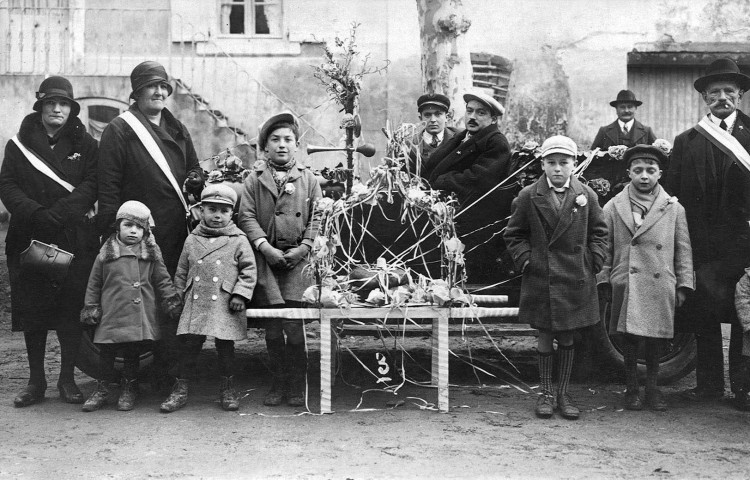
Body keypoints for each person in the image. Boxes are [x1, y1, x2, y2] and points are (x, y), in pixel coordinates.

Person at [97, 60, 205, 391]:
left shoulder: (177, 127)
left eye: (163, 86)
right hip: (139, 233)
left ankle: (169, 371)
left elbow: (194, 169)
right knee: (143, 300)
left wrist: (196, 180)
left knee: (173, 297)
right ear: (137, 92)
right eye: (150, 86)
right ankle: (137, 376)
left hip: (176, 230)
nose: (158, 92)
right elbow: (108, 186)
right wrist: (115, 232)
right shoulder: (119, 129)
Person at [0, 76, 99, 407]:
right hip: (31, 236)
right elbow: (8, 185)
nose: (57, 109)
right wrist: (37, 213)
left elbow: (91, 184)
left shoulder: (86, 144)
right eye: (51, 103)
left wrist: (63, 211)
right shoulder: (18, 145)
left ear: (72, 109)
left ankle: (67, 380)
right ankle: (36, 381)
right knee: (34, 311)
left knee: (70, 310)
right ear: (40, 107)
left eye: (64, 104)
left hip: (72, 235)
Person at [665, 57, 750, 410]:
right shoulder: (687, 141)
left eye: (729, 91)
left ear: (741, 95)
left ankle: (744, 390)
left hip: (745, 244)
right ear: (705, 99)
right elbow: (673, 193)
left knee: (747, 316)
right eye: (714, 92)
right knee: (705, 316)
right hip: (703, 243)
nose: (722, 97)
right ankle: (709, 387)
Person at [504, 135, 608, 420]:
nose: (558, 169)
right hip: (542, 276)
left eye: (564, 162)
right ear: (543, 165)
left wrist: (593, 260)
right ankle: (546, 393)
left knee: (568, 335)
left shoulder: (587, 196)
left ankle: (564, 392)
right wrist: (527, 260)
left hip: (575, 275)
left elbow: (600, 232)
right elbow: (514, 234)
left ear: (574, 164)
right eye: (552, 163)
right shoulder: (528, 195)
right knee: (545, 336)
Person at [598, 145, 694, 411]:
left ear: (660, 173)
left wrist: (684, 284)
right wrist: (605, 278)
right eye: (638, 170)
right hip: (627, 282)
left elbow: (683, 249)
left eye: (650, 170)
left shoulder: (674, 209)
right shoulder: (613, 207)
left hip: (660, 282)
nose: (644, 176)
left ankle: (653, 390)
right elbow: (604, 246)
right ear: (628, 172)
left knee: (656, 341)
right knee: (629, 342)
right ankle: (631, 388)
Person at [238, 112, 322, 407]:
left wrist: (305, 248)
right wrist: (264, 247)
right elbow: (246, 216)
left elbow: (318, 217)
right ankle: (278, 383)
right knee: (273, 326)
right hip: (267, 261)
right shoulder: (254, 180)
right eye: (275, 140)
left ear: (296, 146)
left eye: (288, 140)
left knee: (294, 326)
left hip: (298, 262)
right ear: (265, 146)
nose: (282, 145)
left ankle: (297, 385)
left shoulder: (309, 179)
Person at [160, 184, 257, 413]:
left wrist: (240, 294)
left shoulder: (238, 239)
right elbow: (182, 271)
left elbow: (249, 270)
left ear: (231, 214)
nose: (217, 215)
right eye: (212, 209)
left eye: (224, 211)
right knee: (190, 346)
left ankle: (228, 388)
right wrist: (178, 297)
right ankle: (180, 389)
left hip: (225, 302)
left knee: (225, 347)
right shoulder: (192, 239)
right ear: (201, 211)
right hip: (196, 300)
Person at [80, 201, 181, 412]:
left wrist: (171, 300)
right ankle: (103, 389)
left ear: (146, 231)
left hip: (138, 313)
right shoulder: (106, 253)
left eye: (139, 227)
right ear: (118, 227)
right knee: (106, 354)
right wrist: (90, 307)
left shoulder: (150, 252)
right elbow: (94, 282)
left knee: (131, 353)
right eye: (128, 225)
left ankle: (129, 388)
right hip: (112, 313)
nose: (133, 231)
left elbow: (162, 279)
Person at [423, 90, 512, 283]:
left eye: (480, 113)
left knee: (464, 278)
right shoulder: (464, 136)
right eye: (470, 110)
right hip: (447, 214)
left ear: (493, 119)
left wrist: (444, 181)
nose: (472, 117)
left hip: (472, 221)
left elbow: (479, 179)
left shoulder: (495, 142)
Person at [407, 93, 456, 176]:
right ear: (421, 119)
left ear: (447, 117)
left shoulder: (459, 138)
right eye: (427, 115)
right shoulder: (409, 144)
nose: (433, 120)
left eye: (438, 114)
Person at [591, 90, 657, 150]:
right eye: (622, 107)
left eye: (630, 107)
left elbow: (659, 155)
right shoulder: (604, 131)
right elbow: (591, 157)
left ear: (635, 108)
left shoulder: (647, 131)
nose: (626, 110)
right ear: (616, 109)